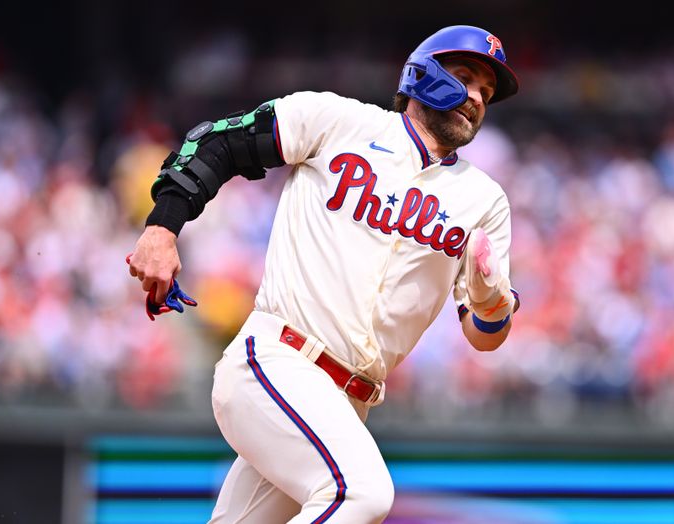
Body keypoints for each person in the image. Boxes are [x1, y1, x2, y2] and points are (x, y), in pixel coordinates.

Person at [127, 25, 520, 524]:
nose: (476, 98)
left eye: (486, 93)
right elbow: (219, 143)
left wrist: (491, 300)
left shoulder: (483, 199)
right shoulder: (340, 122)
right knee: (360, 493)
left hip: (346, 404)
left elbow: (486, 336)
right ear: (422, 75)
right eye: (465, 77)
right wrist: (163, 229)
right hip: (279, 362)